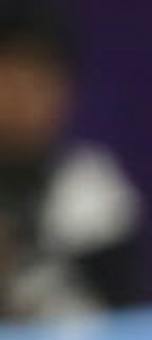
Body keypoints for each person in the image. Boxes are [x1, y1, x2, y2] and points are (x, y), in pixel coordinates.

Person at [0, 2, 143, 320]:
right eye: (7, 81)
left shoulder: (92, 185)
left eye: (35, 83)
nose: (18, 100)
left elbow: (126, 317)